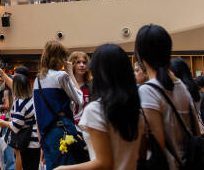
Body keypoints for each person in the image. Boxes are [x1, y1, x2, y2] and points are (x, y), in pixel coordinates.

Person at [59, 44, 143, 170]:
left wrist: (62, 169)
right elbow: (140, 154)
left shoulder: (96, 111)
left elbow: (104, 163)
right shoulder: (137, 112)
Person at [135, 24, 202, 170]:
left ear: (140, 54)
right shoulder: (181, 86)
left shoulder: (148, 90)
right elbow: (196, 131)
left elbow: (157, 144)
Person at [32, 40, 85, 168]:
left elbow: (37, 113)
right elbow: (80, 100)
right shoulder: (61, 76)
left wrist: (42, 142)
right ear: (60, 58)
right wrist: (70, 73)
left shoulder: (37, 80)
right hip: (62, 130)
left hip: (46, 132)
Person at [0, 73, 40, 170]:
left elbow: (17, 125)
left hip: (27, 141)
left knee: (27, 165)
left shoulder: (20, 102)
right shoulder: (33, 98)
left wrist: (4, 123)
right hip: (35, 139)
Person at [69, 51, 91, 124]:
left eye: (84, 63)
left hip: (86, 126)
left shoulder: (91, 85)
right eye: (78, 62)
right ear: (72, 65)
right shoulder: (66, 84)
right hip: (70, 126)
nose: (82, 65)